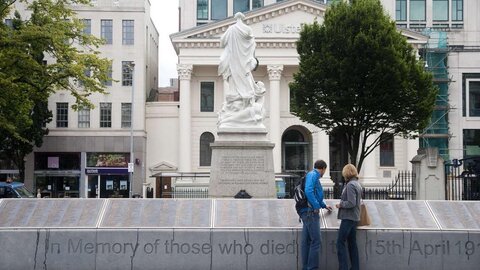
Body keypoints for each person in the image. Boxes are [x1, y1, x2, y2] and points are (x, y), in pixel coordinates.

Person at [217, 12, 265, 129]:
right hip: (244, 67)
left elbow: (222, 42)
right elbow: (252, 44)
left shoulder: (231, 29)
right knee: (247, 90)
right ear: (243, 19)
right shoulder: (248, 30)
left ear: (236, 18)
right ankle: (240, 110)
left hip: (234, 65)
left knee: (236, 88)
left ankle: (232, 115)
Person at [299, 160, 333, 270]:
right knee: (316, 241)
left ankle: (306, 267)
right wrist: (316, 206)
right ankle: (312, 268)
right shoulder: (313, 175)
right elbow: (309, 191)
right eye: (325, 170)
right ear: (323, 168)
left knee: (306, 241)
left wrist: (323, 205)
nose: (324, 172)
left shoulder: (312, 176)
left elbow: (316, 194)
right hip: (310, 212)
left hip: (306, 211)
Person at [335, 164, 363, 270]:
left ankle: (343, 267)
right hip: (355, 217)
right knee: (352, 243)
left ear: (346, 173)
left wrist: (341, 204)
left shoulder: (351, 185)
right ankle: (355, 267)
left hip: (348, 217)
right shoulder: (357, 183)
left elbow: (351, 202)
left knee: (340, 242)